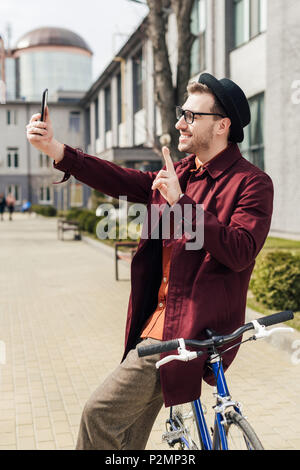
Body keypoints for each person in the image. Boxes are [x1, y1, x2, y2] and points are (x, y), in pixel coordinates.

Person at [26, 73, 274, 450]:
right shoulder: (182, 173)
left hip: (188, 331)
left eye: (190, 115)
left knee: (99, 414)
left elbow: (240, 250)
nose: (179, 123)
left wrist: (182, 205)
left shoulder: (251, 183)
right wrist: (58, 150)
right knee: (126, 436)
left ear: (222, 126)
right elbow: (122, 180)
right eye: (181, 113)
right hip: (156, 321)